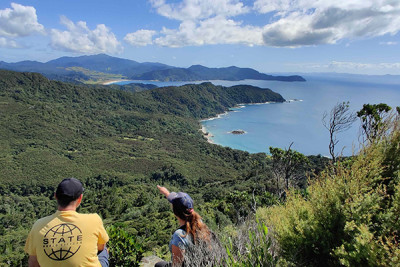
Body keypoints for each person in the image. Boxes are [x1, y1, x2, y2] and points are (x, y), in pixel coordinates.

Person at [25, 177, 110, 267]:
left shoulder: (38, 225)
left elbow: (33, 263)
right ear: (80, 198)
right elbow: (100, 247)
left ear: (55, 196)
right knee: (104, 250)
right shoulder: (93, 220)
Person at [155, 185, 211, 267]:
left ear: (175, 212)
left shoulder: (180, 235)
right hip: (199, 263)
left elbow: (177, 265)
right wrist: (166, 193)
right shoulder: (199, 223)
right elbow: (181, 205)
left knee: (158, 265)